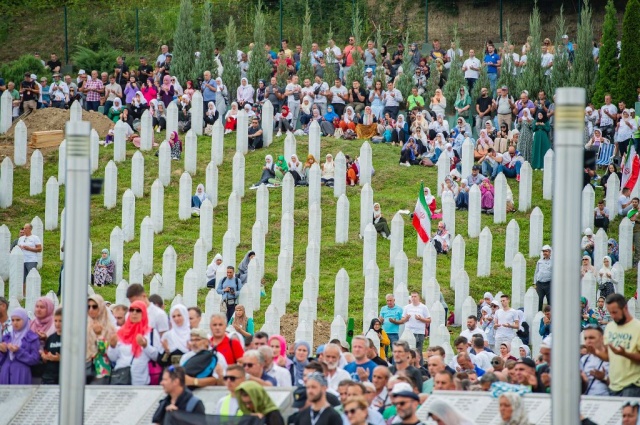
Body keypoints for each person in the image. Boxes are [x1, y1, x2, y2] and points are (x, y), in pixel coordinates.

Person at [592, 294, 640, 396]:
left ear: (625, 308)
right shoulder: (610, 327)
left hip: (632, 385)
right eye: (610, 313)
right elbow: (608, 357)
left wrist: (624, 354)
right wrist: (595, 352)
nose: (613, 316)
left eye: (615, 312)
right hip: (613, 385)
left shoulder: (637, 327)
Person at [108, 301, 161, 385]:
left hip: (140, 382)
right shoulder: (120, 332)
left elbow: (156, 356)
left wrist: (145, 345)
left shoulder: (150, 332)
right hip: (121, 380)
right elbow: (113, 358)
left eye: (138, 310)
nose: (134, 313)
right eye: (132, 310)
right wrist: (112, 346)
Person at [0, 308, 40, 384]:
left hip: (21, 374)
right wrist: (2, 352)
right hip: (5, 375)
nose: (15, 323)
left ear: (25, 320)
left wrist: (18, 351)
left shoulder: (31, 337)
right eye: (13, 320)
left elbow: (35, 360)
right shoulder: (8, 337)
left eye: (18, 320)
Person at [86, 294, 116, 384]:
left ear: (101, 308)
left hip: (101, 368)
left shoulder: (109, 327)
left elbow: (107, 351)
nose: (91, 310)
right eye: (88, 307)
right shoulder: (84, 325)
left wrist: (99, 335)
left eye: (94, 307)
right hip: (83, 367)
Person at [399, 291, 430, 366]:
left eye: (415, 296)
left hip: (419, 332)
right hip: (409, 332)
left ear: (418, 297)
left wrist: (421, 319)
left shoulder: (423, 307)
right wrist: (406, 318)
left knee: (419, 351)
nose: (413, 298)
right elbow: (402, 320)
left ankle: (420, 367)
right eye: (412, 296)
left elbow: (429, 320)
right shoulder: (407, 307)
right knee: (407, 350)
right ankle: (407, 365)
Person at [534, 245, 553, 310]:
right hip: (540, 284)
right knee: (539, 300)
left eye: (546, 251)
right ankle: (538, 314)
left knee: (550, 300)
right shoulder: (539, 261)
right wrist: (535, 283)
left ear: (550, 252)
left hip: (549, 283)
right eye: (543, 251)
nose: (545, 253)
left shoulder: (553, 261)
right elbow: (536, 272)